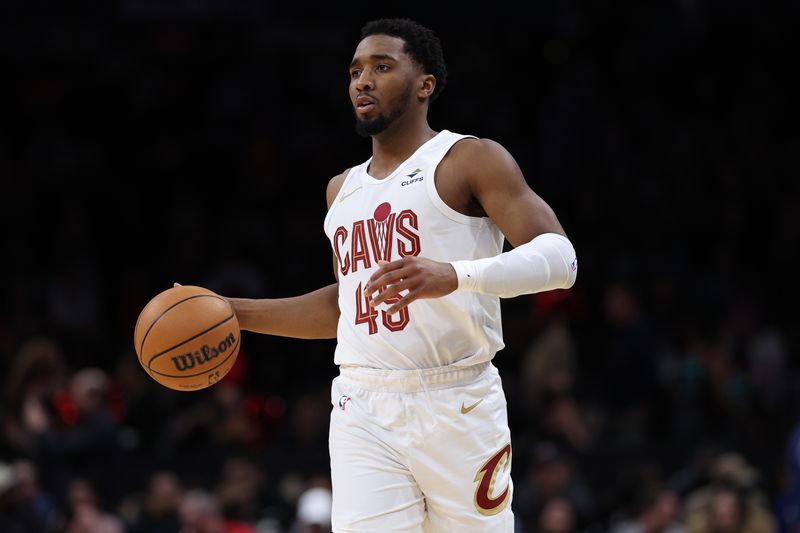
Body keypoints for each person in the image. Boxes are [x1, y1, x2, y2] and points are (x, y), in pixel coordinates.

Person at [219, 17, 578, 532]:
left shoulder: (468, 159)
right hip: (363, 403)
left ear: (424, 85)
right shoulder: (340, 191)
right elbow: (348, 307)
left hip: (457, 400)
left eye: (381, 67)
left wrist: (455, 275)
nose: (362, 81)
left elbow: (561, 262)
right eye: (355, 71)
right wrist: (233, 313)